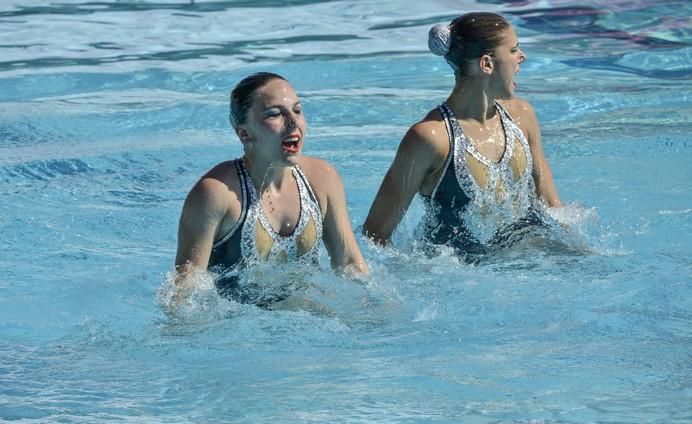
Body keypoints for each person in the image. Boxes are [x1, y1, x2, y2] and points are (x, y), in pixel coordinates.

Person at [363, 12, 562, 257]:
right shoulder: (431, 138)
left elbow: (552, 207)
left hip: (531, 259)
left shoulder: (522, 117)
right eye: (513, 50)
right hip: (463, 273)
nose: (522, 57)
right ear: (487, 64)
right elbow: (375, 234)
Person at [174, 72, 368, 307]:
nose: (293, 122)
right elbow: (185, 295)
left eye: (297, 110)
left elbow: (349, 264)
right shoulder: (216, 193)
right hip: (241, 329)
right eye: (275, 114)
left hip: (306, 317)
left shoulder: (322, 179)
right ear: (244, 133)